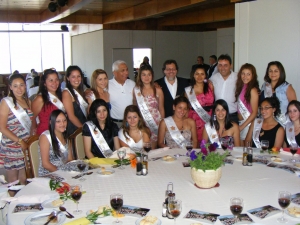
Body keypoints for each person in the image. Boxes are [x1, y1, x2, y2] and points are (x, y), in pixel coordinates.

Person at [0, 74, 33, 185]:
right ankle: (12, 202)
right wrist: (19, 141)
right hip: (12, 147)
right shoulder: (6, 102)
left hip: (25, 146)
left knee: (24, 179)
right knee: (13, 182)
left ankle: (22, 202)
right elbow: (2, 127)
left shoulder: (28, 101)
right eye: (15, 86)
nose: (19, 89)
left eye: (21, 85)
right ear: (10, 87)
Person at [133, 65, 164, 149]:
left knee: (153, 150)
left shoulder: (158, 90)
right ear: (140, 76)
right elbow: (134, 108)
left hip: (155, 124)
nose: (146, 77)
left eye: (149, 74)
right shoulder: (136, 90)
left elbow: (161, 108)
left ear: (152, 76)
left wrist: (162, 125)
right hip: (141, 123)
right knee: (143, 147)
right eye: (144, 74)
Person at [260, 61, 297, 127]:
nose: (273, 73)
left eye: (276, 71)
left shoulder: (287, 87)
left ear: (281, 72)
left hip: (282, 123)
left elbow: (294, 107)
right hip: (265, 122)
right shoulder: (264, 86)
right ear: (267, 73)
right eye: (270, 71)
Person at [38, 110, 73, 176]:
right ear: (51, 122)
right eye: (58, 121)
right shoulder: (46, 137)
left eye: (64, 120)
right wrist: (62, 174)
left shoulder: (67, 137)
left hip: (65, 172)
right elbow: (45, 164)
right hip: (49, 174)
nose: (62, 124)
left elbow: (69, 159)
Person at [185, 65, 214, 143]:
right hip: (194, 119)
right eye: (197, 74)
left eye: (202, 74)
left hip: (208, 118)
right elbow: (186, 108)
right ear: (193, 75)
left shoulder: (210, 86)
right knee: (196, 142)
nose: (199, 76)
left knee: (209, 143)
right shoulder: (188, 90)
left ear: (205, 76)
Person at [31, 69, 64, 136]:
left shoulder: (62, 95)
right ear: (44, 83)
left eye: (56, 80)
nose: (54, 83)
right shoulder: (40, 98)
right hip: (46, 134)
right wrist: (33, 132)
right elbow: (31, 117)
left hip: (60, 132)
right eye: (51, 80)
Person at [235, 63, 259, 146]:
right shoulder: (241, 87)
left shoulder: (253, 90)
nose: (245, 76)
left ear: (253, 76)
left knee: (246, 148)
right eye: (243, 73)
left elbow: (255, 113)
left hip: (247, 123)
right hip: (241, 122)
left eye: (248, 74)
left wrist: (242, 127)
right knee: (241, 150)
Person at [210, 54, 238, 124]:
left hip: (233, 115)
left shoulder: (238, 77)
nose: (222, 68)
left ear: (230, 65)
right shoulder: (213, 78)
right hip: (218, 115)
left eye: (225, 65)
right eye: (220, 65)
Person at [109, 60, 136, 127]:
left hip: (131, 123)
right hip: (115, 123)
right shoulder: (107, 85)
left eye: (127, 70)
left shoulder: (132, 84)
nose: (126, 73)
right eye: (122, 70)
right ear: (114, 73)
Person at [62, 65, 88, 135]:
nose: (76, 79)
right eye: (73, 77)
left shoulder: (81, 91)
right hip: (74, 129)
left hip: (83, 124)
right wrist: (83, 129)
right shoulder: (66, 93)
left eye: (78, 76)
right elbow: (71, 116)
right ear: (68, 78)